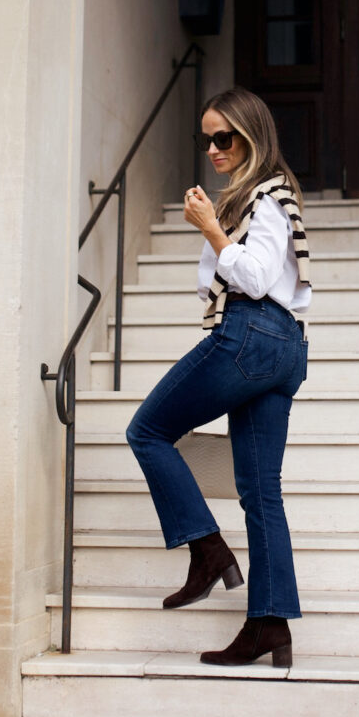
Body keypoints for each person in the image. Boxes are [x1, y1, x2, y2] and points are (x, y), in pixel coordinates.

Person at [126, 87, 311, 667]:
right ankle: (268, 625)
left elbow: (253, 279)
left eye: (223, 137)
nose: (213, 147)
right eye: (207, 138)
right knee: (261, 492)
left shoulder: (270, 197)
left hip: (253, 335)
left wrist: (210, 228)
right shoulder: (248, 201)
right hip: (281, 347)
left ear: (251, 135)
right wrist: (216, 226)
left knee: (147, 431)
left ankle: (206, 551)